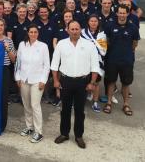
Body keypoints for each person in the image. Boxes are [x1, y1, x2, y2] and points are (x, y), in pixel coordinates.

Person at [51, 20, 99, 149]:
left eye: (77, 29)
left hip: (82, 82)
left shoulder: (89, 45)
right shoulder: (61, 44)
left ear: (80, 30)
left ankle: (78, 136)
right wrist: (56, 80)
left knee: (80, 110)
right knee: (65, 109)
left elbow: (95, 66)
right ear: (67, 30)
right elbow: (55, 65)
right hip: (65, 81)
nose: (74, 31)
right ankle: (64, 134)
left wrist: (92, 83)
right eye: (72, 29)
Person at [15, 24, 50, 143]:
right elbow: (18, 63)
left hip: (37, 81)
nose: (33, 34)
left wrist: (43, 81)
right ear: (28, 33)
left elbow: (47, 66)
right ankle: (29, 127)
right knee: (26, 105)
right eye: (31, 32)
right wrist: (18, 77)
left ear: (38, 33)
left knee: (35, 106)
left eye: (35, 32)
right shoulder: (22, 45)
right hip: (24, 79)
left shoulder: (43, 46)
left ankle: (38, 132)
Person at [103, 5, 140, 116]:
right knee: (111, 82)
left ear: (128, 14)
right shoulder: (110, 25)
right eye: (120, 13)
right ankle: (109, 103)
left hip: (127, 61)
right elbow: (106, 41)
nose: (122, 15)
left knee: (126, 83)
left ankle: (126, 104)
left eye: (124, 13)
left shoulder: (133, 28)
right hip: (112, 60)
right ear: (117, 13)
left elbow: (135, 44)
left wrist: (127, 52)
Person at [81, 14, 107, 113]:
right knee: (83, 81)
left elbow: (103, 51)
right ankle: (81, 101)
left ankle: (95, 102)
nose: (93, 23)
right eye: (91, 21)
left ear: (98, 23)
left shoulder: (101, 34)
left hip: (97, 61)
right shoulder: (83, 32)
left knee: (96, 83)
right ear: (88, 22)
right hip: (85, 60)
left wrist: (93, 43)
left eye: (95, 21)